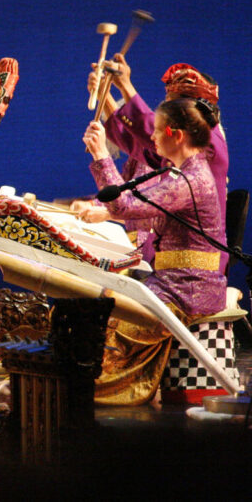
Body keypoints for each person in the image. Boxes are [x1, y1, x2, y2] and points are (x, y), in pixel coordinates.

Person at [83, 97, 225, 404]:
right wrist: (99, 209)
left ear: (176, 134)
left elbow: (124, 204)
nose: (152, 137)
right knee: (102, 309)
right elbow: (141, 210)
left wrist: (100, 154)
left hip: (188, 290)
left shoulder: (190, 181)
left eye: (158, 130)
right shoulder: (182, 175)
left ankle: (80, 390)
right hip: (172, 284)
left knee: (111, 329)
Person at [78, 57, 228, 271]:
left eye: (171, 104)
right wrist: (106, 93)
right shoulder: (181, 154)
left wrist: (125, 85)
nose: (164, 112)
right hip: (167, 261)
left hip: (193, 273)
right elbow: (137, 143)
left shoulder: (208, 144)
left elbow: (124, 207)